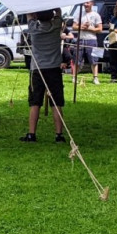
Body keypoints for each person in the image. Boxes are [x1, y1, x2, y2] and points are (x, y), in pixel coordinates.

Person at [20, 9, 67, 143]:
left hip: (38, 70)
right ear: (51, 16)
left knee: (35, 103)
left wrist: (35, 10)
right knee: (56, 103)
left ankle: (31, 134)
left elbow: (28, 14)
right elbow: (58, 11)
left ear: (37, 16)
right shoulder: (57, 26)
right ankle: (59, 135)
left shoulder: (34, 28)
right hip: (54, 69)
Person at [73, 1, 103, 84]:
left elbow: (100, 29)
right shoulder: (79, 14)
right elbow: (74, 26)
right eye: (85, 3)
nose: (86, 4)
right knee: (77, 59)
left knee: (94, 60)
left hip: (92, 40)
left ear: (92, 4)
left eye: (88, 3)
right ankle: (74, 77)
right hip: (80, 39)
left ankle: (95, 78)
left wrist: (89, 28)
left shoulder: (96, 15)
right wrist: (82, 27)